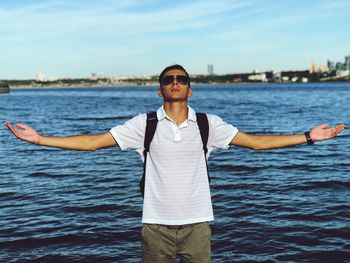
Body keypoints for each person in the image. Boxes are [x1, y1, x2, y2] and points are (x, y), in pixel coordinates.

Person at [5, 64, 346, 263]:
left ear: (190, 89)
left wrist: (308, 136)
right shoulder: (145, 124)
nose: (175, 83)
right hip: (155, 227)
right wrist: (40, 139)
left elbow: (257, 143)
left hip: (198, 226)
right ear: (159, 91)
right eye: (168, 80)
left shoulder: (209, 124)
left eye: (181, 79)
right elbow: (93, 143)